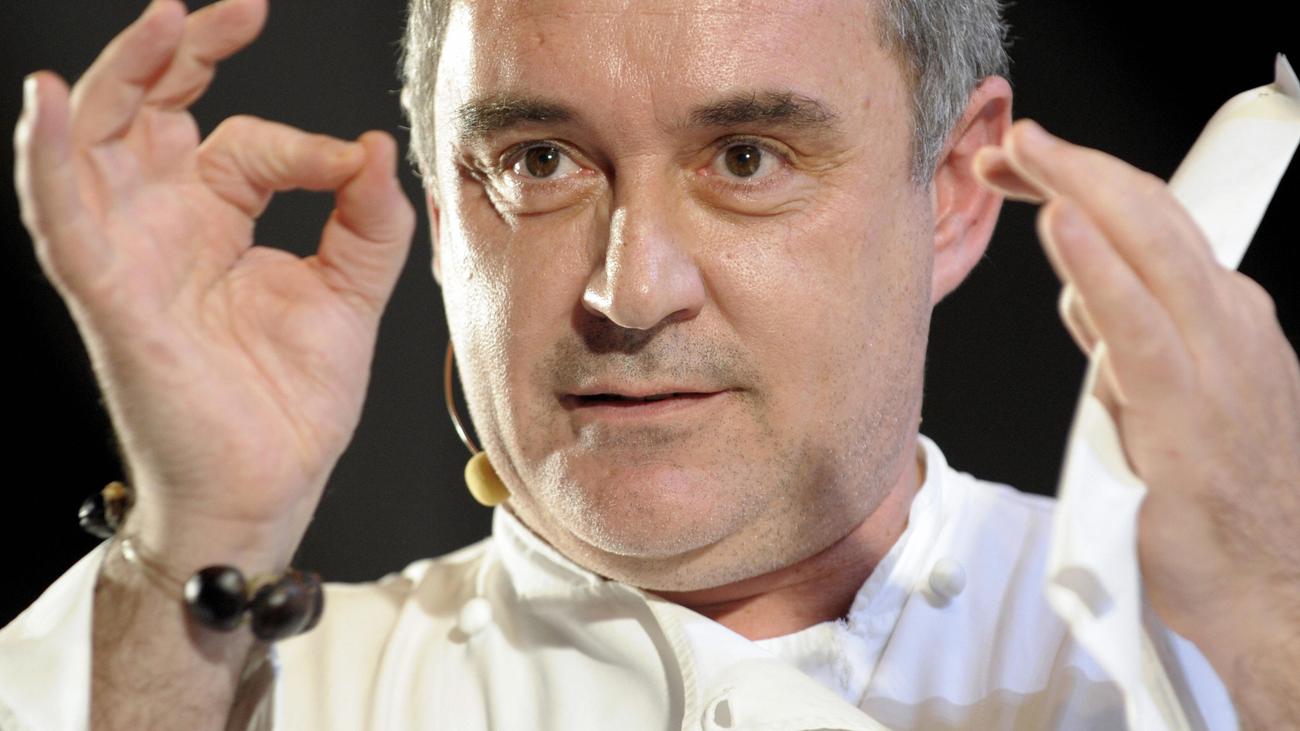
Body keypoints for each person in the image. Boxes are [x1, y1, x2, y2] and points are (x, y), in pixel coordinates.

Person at [3, 0, 1298, 728]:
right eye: (538, 162)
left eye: (746, 158)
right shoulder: (222, 681)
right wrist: (203, 528)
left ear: (955, 192)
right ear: (447, 216)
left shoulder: (1199, 653)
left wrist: (1264, 624)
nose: (629, 291)